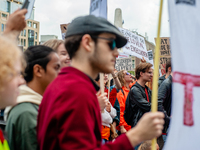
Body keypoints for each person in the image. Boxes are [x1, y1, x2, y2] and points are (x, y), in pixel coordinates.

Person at [37, 15, 164, 150]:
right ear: (87, 43)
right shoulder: (75, 90)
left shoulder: (70, 84)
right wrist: (136, 135)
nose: (116, 52)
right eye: (111, 44)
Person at [5, 45, 61, 150]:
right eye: (56, 68)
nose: (60, 74)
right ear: (38, 70)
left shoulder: (33, 106)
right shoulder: (27, 113)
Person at [125, 63, 153, 128]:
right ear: (141, 74)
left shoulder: (147, 89)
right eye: (149, 72)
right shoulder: (135, 90)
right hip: (139, 127)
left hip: (147, 126)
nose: (151, 75)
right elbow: (147, 106)